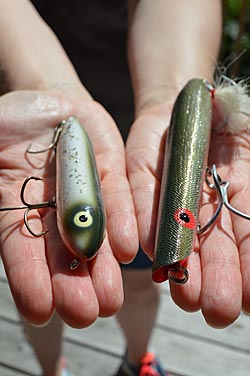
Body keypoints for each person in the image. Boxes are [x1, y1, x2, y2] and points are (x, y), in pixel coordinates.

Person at [1, 1, 249, 375]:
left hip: (139, 139)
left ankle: (138, 359)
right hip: (32, 98)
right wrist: (40, 81)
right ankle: (51, 369)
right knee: (43, 299)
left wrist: (173, 85)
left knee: (136, 284)